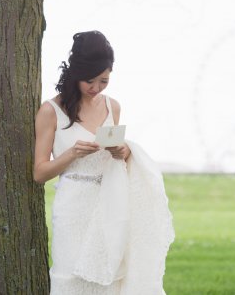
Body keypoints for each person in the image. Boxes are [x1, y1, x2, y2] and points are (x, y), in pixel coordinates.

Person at [34, 30, 175, 294]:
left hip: (110, 202)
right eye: (90, 81)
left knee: (109, 276)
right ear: (76, 74)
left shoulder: (114, 107)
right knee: (70, 276)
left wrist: (124, 151)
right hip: (73, 206)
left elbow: (119, 158)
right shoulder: (50, 111)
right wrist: (71, 154)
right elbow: (39, 173)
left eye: (104, 81)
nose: (96, 88)